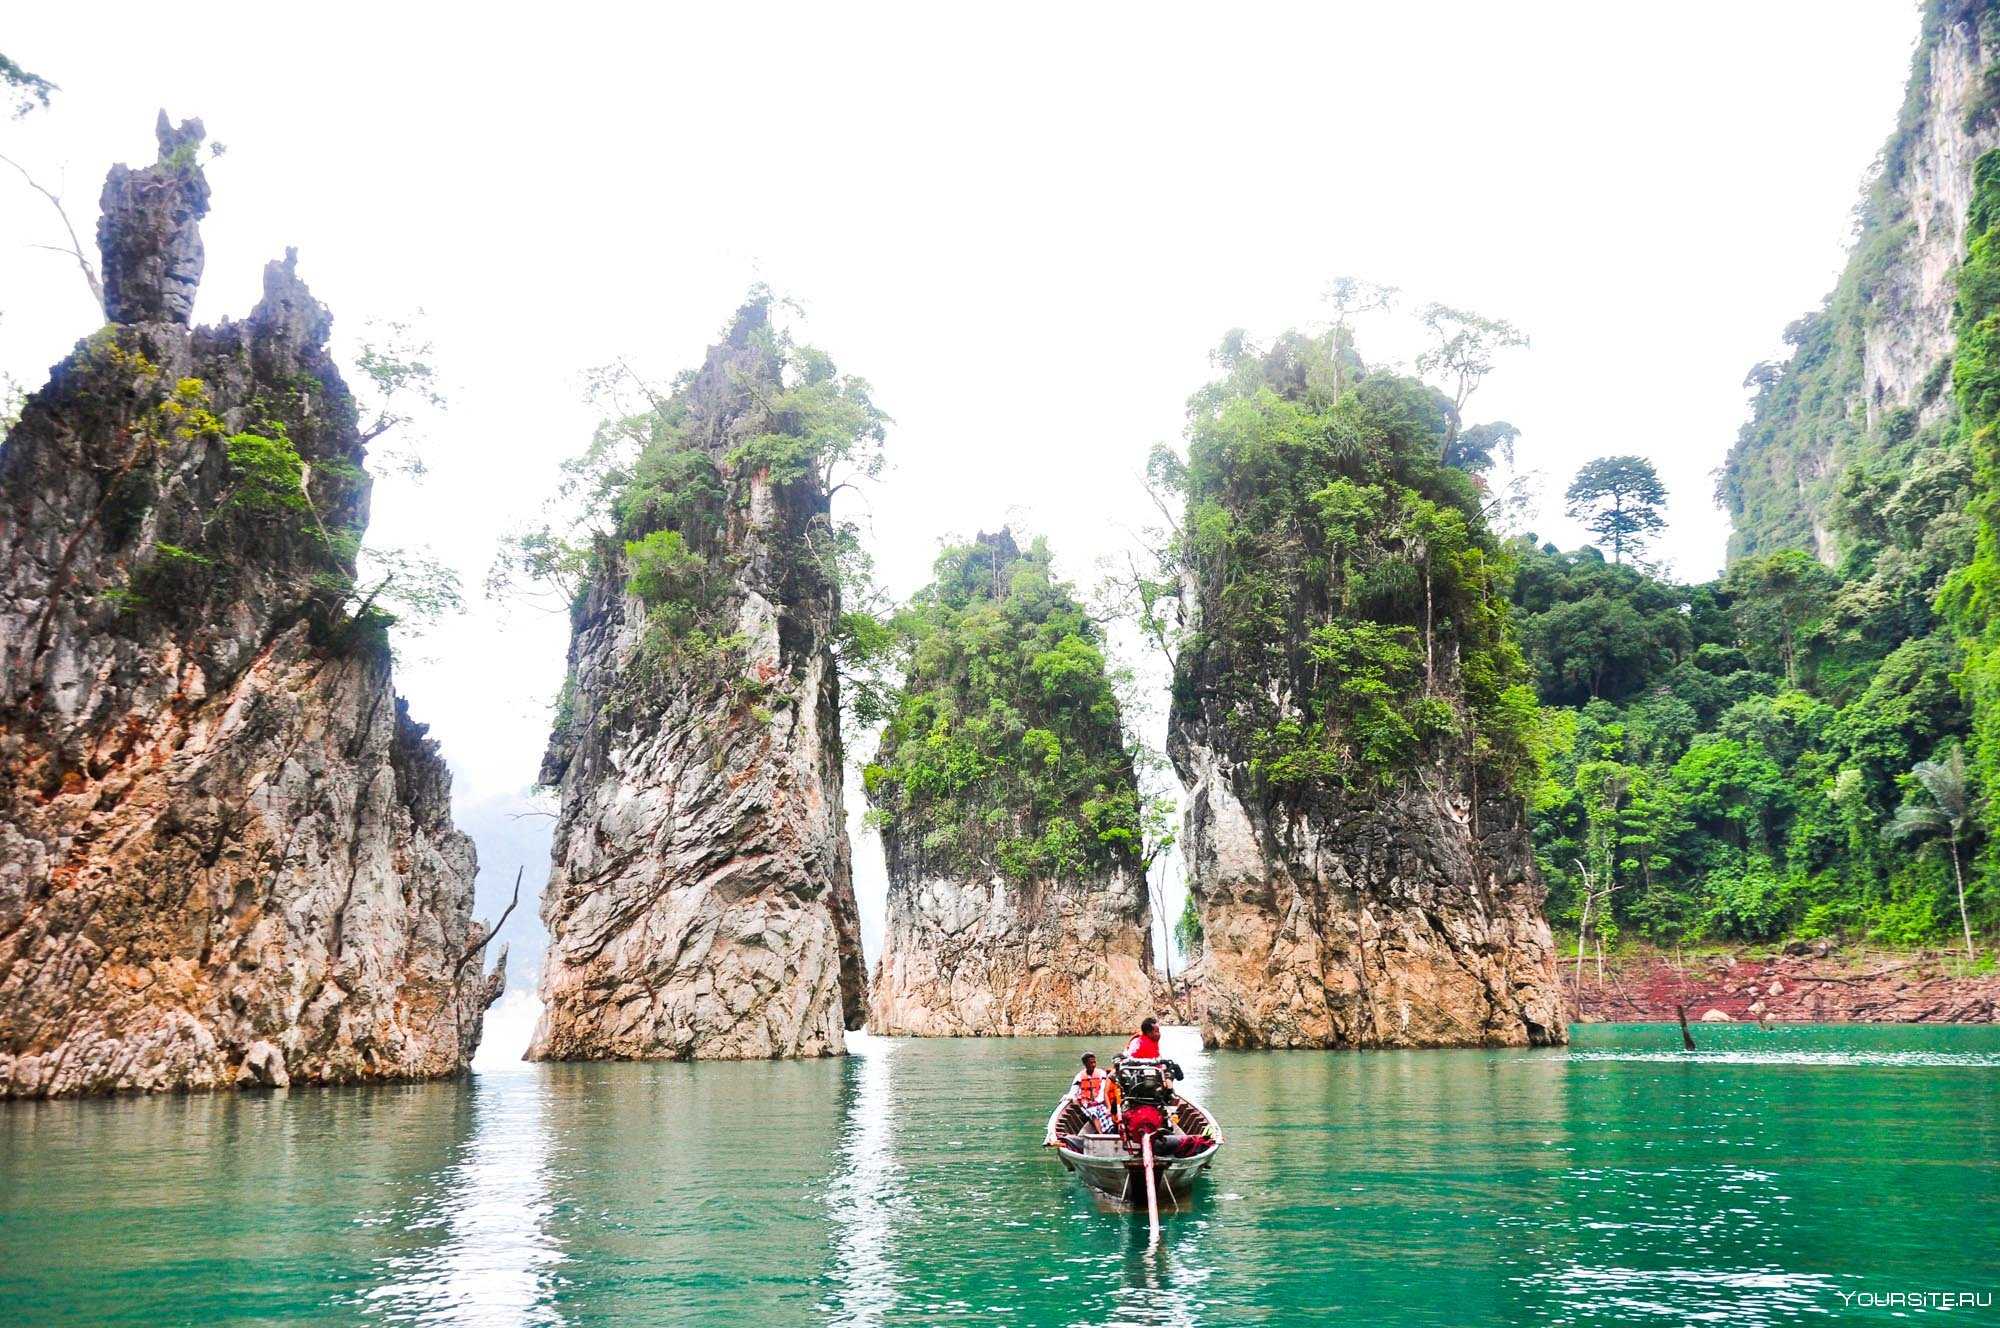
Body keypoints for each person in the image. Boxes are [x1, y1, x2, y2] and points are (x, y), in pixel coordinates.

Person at [1067, 1052, 1118, 1133]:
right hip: (1086, 1104)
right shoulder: (1079, 1076)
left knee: (1107, 1114)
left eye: (1094, 1062)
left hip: (1100, 1103)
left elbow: (1103, 1090)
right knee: (1093, 1113)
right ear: (1085, 1063)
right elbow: (1073, 1091)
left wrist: (1098, 1101)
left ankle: (1110, 1131)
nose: (1093, 1065)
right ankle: (1101, 1134)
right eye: (1091, 1063)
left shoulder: (1101, 1073)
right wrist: (1073, 1099)